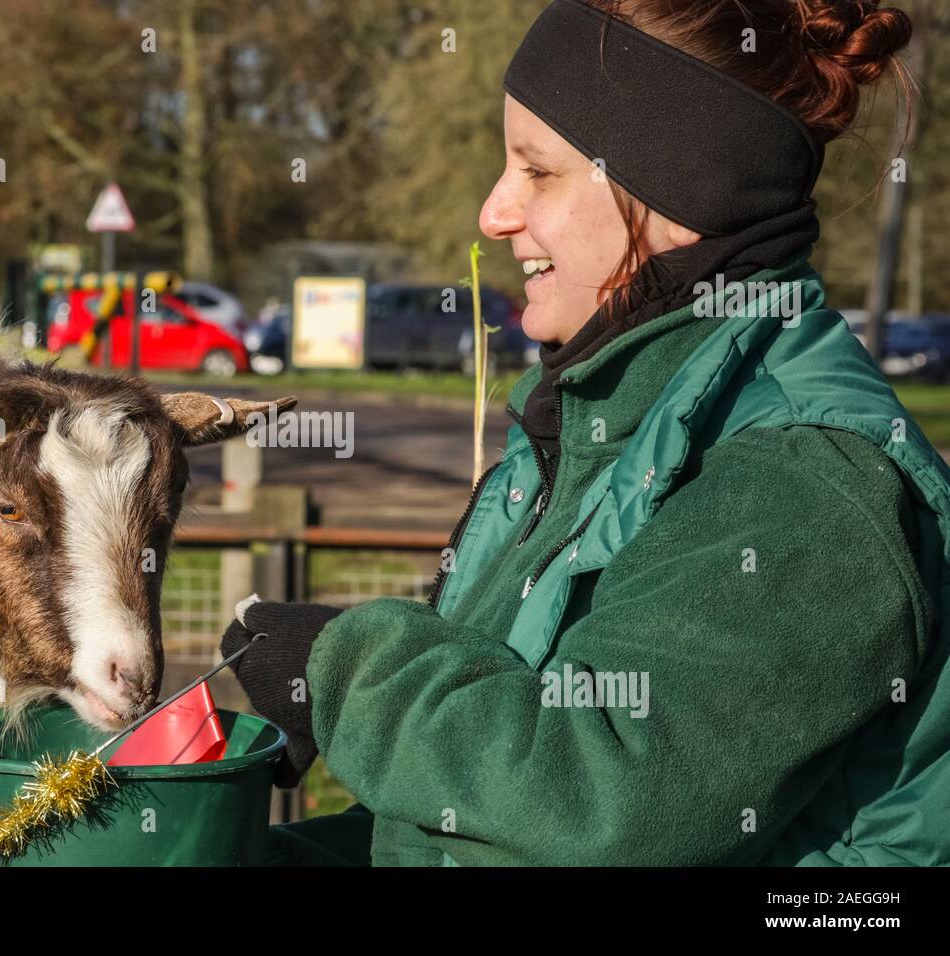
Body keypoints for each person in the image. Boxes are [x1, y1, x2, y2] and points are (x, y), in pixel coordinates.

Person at [222, 0, 950, 866]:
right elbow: (468, 839)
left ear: (679, 195)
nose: (493, 215)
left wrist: (352, 675)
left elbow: (600, 802)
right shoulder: (586, 438)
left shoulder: (798, 482)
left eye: (537, 172)